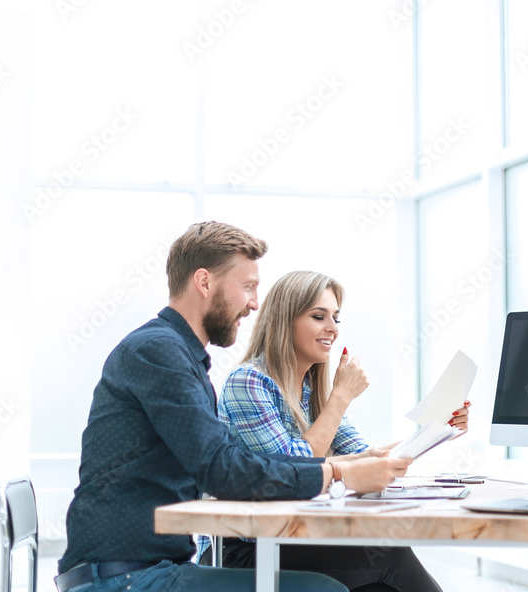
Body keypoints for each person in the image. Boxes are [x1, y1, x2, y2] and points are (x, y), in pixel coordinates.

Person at [55, 222, 411, 592]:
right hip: (123, 579)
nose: (254, 303)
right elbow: (223, 470)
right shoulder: (158, 352)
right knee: (327, 589)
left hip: (147, 569)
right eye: (248, 287)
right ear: (205, 283)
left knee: (360, 572)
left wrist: (342, 465)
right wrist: (338, 475)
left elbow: (231, 462)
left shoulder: (180, 356)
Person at [216, 270, 470, 591]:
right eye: (319, 316)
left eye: (336, 318)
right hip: (250, 548)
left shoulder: (313, 390)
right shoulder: (249, 382)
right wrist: (340, 398)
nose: (333, 329)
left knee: (380, 578)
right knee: (387, 556)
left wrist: (438, 428)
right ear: (284, 321)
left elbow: (365, 457)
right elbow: (289, 473)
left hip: (293, 536)